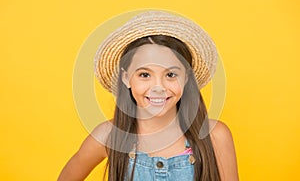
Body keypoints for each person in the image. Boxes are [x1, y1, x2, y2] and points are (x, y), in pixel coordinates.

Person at [58, 10, 239, 181]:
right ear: (127, 78)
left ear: (186, 78)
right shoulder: (109, 135)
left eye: (170, 75)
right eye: (144, 75)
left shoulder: (215, 135)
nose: (158, 88)